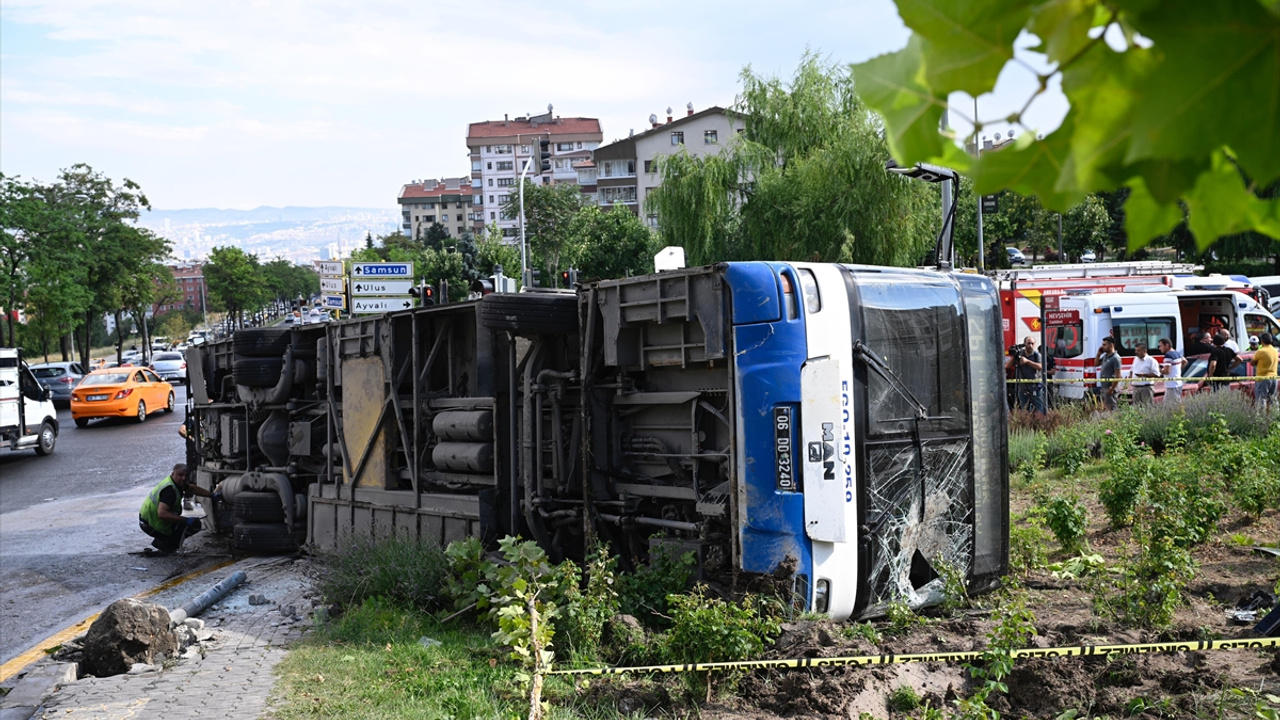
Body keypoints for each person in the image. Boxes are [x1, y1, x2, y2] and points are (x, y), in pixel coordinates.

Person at [139, 464, 213, 554]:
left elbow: (193, 488)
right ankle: (166, 544)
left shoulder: (175, 483)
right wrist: (185, 520)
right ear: (172, 474)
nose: (183, 478)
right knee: (194, 525)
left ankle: (162, 541)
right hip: (151, 524)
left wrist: (212, 495)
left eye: (186, 476)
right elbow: (162, 514)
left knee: (184, 523)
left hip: (148, 521)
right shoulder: (170, 491)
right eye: (180, 475)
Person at [1006, 336, 1045, 414]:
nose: (1030, 345)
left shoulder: (1037, 355)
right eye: (1028, 343)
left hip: (1035, 387)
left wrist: (1027, 361)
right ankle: (1026, 425)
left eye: (1032, 343)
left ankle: (1039, 425)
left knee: (1039, 410)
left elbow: (1040, 367)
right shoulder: (1020, 354)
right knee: (1025, 411)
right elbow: (1007, 366)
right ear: (1024, 344)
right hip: (1022, 388)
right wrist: (1014, 356)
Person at [1253, 332, 1277, 416]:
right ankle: (1274, 417)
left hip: (1262, 378)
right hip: (1274, 377)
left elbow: (1252, 362)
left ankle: (1261, 419)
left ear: (1262, 341)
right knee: (1272, 399)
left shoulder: (1261, 351)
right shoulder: (1275, 350)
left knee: (1261, 399)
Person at [1096, 337, 1122, 411]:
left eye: (1104, 345)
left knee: (1112, 409)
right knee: (1105, 409)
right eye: (1102, 345)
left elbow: (1118, 375)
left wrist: (1111, 389)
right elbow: (1096, 363)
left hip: (1110, 388)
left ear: (1111, 345)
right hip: (1104, 387)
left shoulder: (1115, 358)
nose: (1102, 347)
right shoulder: (1105, 356)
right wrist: (1098, 354)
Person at [1158, 338, 1185, 403]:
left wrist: (1159, 370)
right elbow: (1185, 361)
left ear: (1166, 345)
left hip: (1172, 385)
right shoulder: (1177, 353)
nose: (1159, 348)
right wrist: (1178, 370)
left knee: (1169, 406)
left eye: (1161, 346)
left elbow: (1167, 371)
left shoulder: (1168, 356)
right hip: (1178, 383)